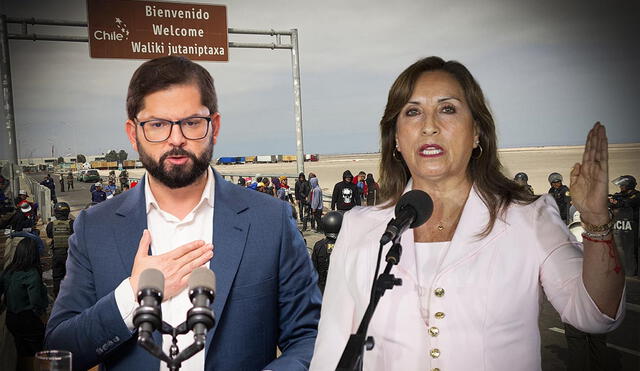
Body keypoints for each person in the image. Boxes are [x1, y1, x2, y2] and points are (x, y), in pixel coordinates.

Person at [310, 56, 624, 371]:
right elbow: (332, 350)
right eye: (413, 111)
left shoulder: (529, 217)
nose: (429, 126)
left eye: (448, 109)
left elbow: (594, 314)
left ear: (476, 133)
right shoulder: (359, 227)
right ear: (395, 138)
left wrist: (597, 222)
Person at [44, 55, 321, 371]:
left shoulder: (271, 221)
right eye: (157, 125)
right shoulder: (95, 228)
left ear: (213, 128)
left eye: (191, 122)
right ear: (133, 134)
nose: (176, 139)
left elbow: (311, 337)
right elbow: (61, 348)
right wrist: (132, 295)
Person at [0, 237, 48, 371]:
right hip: (28, 320)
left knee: (21, 352)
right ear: (33, 254)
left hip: (11, 319)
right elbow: (36, 301)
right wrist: (43, 317)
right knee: (38, 354)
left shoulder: (9, 270)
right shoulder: (32, 273)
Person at [609, 175, 639, 276]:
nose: (620, 187)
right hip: (620, 225)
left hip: (633, 226)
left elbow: (628, 203)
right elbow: (612, 203)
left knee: (632, 249)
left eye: (622, 185)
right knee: (619, 248)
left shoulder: (636, 195)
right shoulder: (619, 195)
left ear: (629, 185)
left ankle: (634, 271)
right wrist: (612, 201)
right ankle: (622, 269)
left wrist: (617, 202)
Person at [46, 202, 74, 297]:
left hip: (57, 254)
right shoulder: (72, 224)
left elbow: (50, 235)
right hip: (70, 255)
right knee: (71, 276)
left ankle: (58, 296)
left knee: (57, 277)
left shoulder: (51, 225)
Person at [311, 211, 343, 294]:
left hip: (322, 289)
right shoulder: (347, 246)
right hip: (341, 290)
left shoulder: (319, 246)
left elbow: (313, 269)